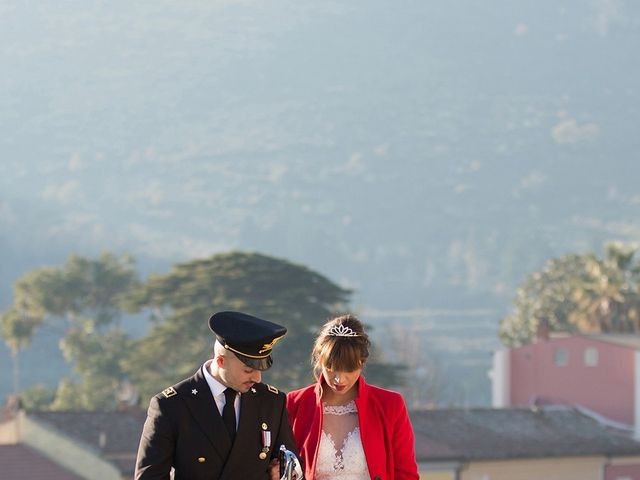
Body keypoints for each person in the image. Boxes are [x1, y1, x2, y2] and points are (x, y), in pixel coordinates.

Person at [135, 310, 298, 480]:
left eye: (260, 370)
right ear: (221, 361)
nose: (257, 378)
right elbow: (150, 476)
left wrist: (283, 473)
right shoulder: (172, 405)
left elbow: (291, 465)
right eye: (248, 370)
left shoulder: (272, 401)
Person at [286, 314, 419, 480]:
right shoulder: (295, 403)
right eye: (331, 368)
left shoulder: (390, 405)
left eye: (349, 369)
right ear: (320, 360)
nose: (339, 379)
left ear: (362, 363)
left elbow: (406, 474)